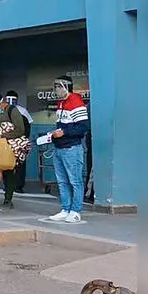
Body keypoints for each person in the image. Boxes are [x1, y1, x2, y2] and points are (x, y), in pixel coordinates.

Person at [47, 76, 89, 223]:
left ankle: (76, 211)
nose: (56, 89)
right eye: (55, 87)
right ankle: (65, 209)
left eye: (59, 86)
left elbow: (83, 127)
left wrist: (64, 132)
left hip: (71, 148)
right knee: (62, 181)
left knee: (75, 181)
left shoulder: (76, 102)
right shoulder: (60, 103)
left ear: (66, 87)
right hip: (59, 147)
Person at [4, 90, 33, 193]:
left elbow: (28, 125)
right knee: (7, 164)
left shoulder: (22, 111)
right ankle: (8, 185)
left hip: (20, 141)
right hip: (7, 141)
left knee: (20, 164)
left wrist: (24, 139)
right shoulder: (2, 110)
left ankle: (19, 186)